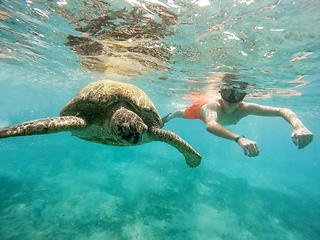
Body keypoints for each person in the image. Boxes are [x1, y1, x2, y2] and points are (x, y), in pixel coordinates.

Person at [161, 86, 313, 157]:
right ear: (221, 93)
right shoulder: (213, 105)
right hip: (200, 110)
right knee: (182, 113)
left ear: (244, 95)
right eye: (228, 93)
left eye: (238, 94)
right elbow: (211, 125)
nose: (232, 100)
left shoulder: (246, 108)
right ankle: (168, 117)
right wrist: (239, 138)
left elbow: (282, 110)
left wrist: (299, 126)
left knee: (182, 113)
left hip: (210, 111)